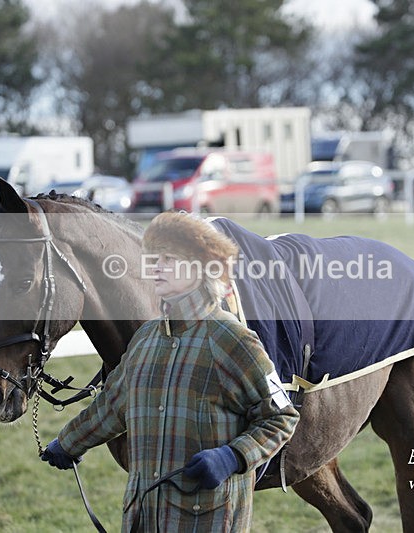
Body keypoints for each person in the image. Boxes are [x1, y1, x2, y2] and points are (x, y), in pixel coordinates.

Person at [41, 211, 299, 532]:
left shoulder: (233, 339)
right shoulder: (145, 338)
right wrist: (68, 442)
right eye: (154, 259)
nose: (157, 267)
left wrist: (233, 456)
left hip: (207, 520)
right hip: (143, 518)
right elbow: (112, 404)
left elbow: (282, 417)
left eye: (169, 259)